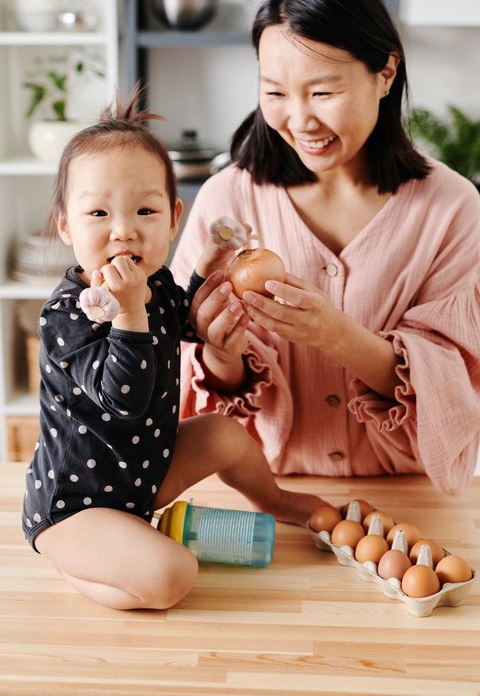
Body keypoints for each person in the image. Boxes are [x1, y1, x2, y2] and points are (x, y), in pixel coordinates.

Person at [170, 0, 480, 498]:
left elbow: (450, 377)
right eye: (275, 92)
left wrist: (332, 332)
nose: (299, 120)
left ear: (385, 73)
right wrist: (220, 350)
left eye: (322, 92)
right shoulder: (228, 202)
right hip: (262, 490)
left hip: (409, 492)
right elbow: (189, 373)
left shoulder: (451, 208)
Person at [22, 91, 325, 610]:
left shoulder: (154, 284)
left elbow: (183, 323)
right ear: (66, 225)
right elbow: (125, 397)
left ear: (172, 218)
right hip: (78, 505)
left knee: (225, 432)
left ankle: (273, 500)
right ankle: (68, 556)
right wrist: (128, 313)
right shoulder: (68, 314)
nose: (124, 230)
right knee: (173, 576)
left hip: (144, 472)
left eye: (145, 209)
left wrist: (210, 263)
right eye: (98, 212)